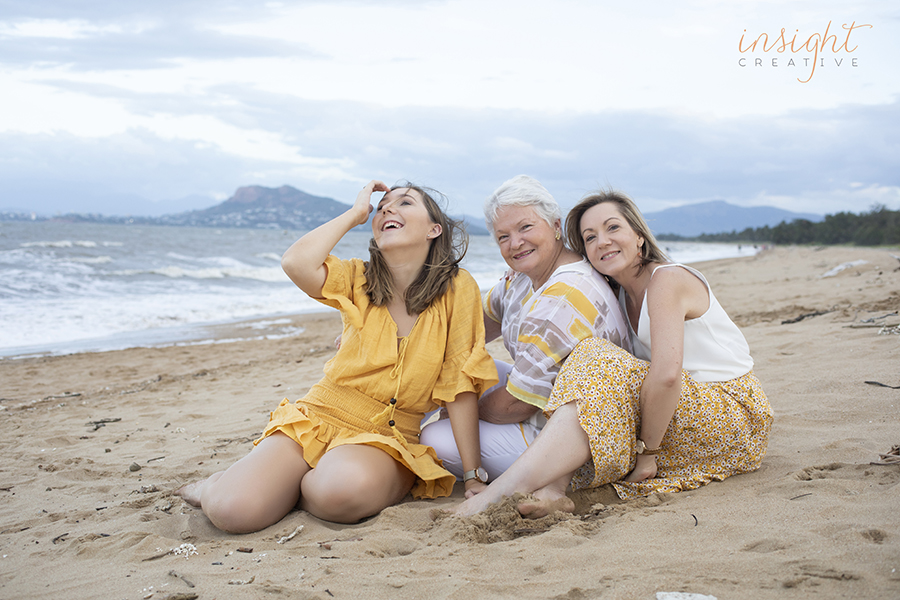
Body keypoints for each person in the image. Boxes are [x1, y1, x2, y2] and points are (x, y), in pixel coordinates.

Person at [176, 180, 497, 533]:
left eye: (405, 203)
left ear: (434, 229)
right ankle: (220, 486)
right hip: (319, 415)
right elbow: (295, 262)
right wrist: (356, 213)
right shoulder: (357, 277)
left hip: (387, 436)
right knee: (232, 512)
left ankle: (286, 488)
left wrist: (472, 476)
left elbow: (460, 382)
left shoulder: (457, 287)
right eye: (383, 206)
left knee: (339, 494)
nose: (387, 208)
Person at [455, 189, 773, 517]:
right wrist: (521, 272)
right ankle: (551, 491)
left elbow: (665, 375)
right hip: (679, 413)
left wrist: (648, 453)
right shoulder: (618, 290)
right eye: (590, 237)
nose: (602, 241)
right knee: (588, 359)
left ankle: (501, 493)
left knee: (593, 354)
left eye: (613, 228)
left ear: (639, 235)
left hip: (730, 414)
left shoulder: (667, 280)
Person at [420, 175, 630, 487]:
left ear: (556, 226)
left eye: (525, 228)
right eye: (503, 236)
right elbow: (464, 330)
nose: (515, 243)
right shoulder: (519, 279)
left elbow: (517, 405)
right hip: (542, 400)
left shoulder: (564, 296)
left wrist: (460, 412)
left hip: (579, 433)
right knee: (452, 367)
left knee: (435, 438)